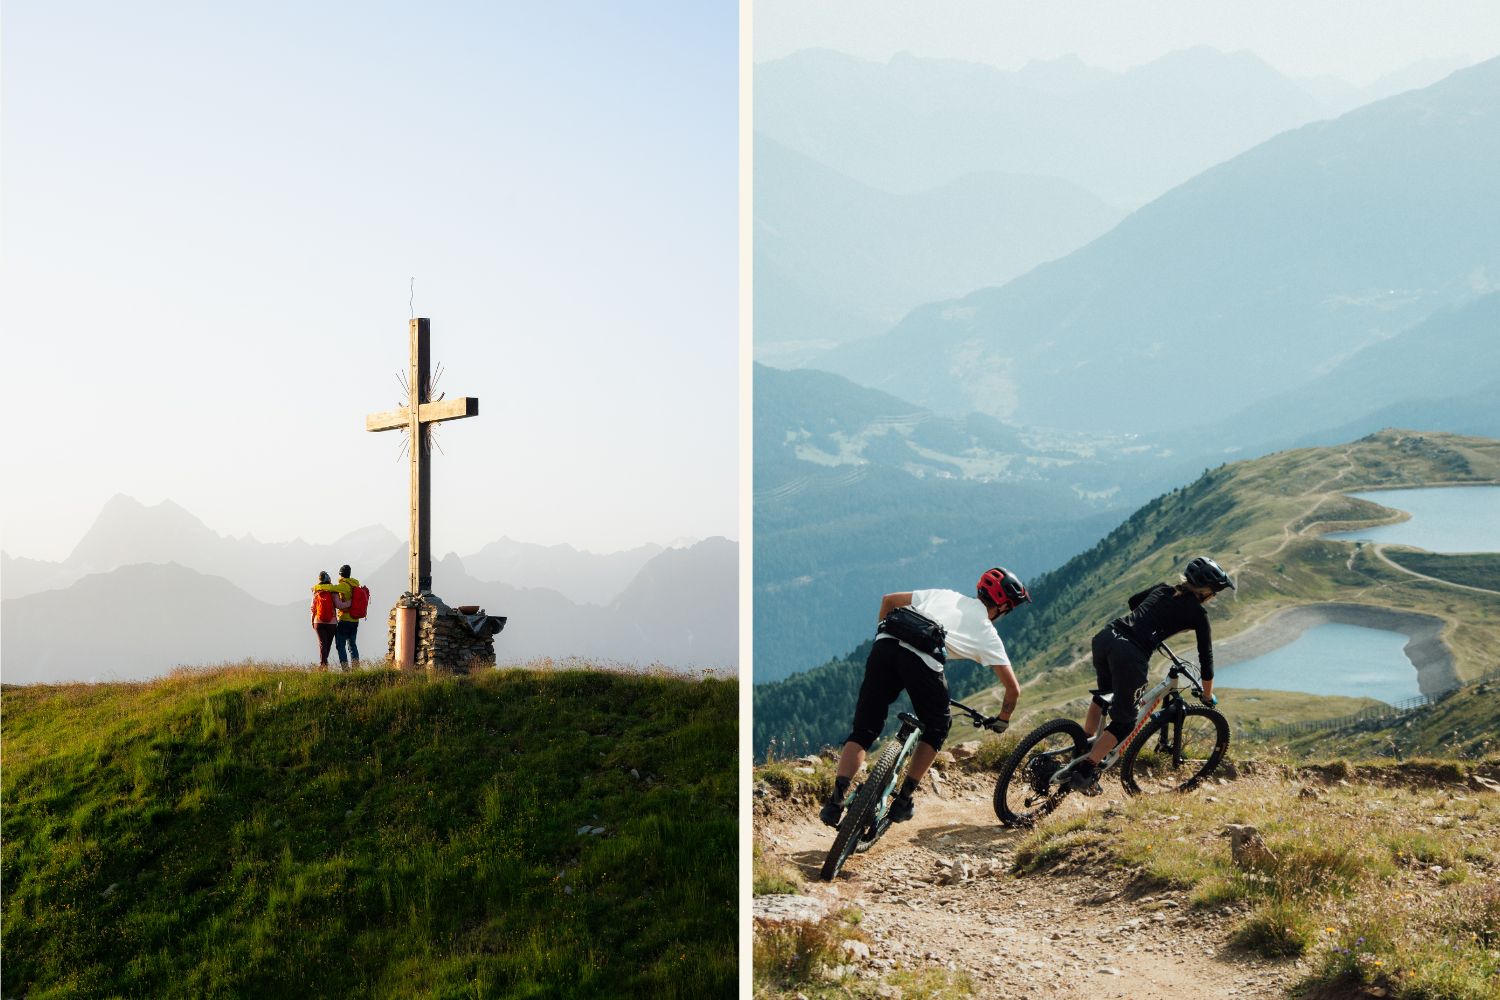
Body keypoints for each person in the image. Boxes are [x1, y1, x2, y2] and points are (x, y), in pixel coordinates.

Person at [820, 567, 1031, 828]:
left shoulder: (945, 595)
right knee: (938, 725)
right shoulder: (987, 633)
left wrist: (884, 641)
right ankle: (904, 799)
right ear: (1004, 606)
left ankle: (835, 802)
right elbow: (1013, 689)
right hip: (923, 661)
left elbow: (888, 600)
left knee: (864, 730)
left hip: (885, 644)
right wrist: (1002, 719)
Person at [1058, 556, 1234, 792]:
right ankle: (1086, 770)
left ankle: (1082, 746)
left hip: (1107, 636)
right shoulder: (1198, 614)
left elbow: (1134, 601)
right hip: (1130, 654)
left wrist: (1152, 624)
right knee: (1125, 722)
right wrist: (1206, 694)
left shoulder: (1163, 589)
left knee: (1104, 696)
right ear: (1206, 592)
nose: (1213, 598)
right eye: (1214, 592)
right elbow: (1206, 657)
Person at [309, 570, 345, 669]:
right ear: (328, 579)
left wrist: (312, 621)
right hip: (331, 622)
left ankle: (323, 664)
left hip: (318, 621)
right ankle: (324, 664)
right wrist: (350, 604)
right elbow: (339, 605)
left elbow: (312, 608)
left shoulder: (316, 591)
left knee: (322, 643)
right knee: (327, 644)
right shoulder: (333, 591)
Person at [331, 563, 362, 670]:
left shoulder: (344, 585)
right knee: (352, 645)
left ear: (341, 574)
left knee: (340, 645)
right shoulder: (355, 585)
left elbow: (331, 588)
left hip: (345, 620)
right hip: (355, 620)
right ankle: (356, 668)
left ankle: (345, 669)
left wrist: (318, 586)